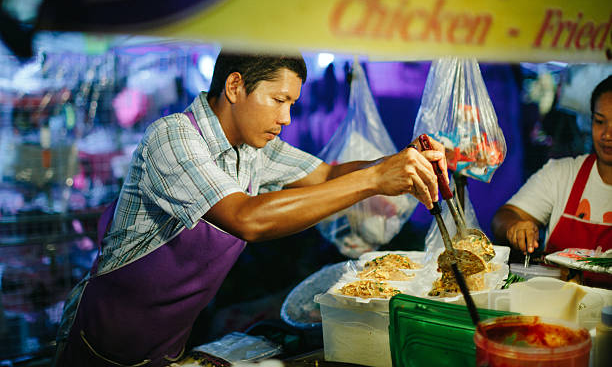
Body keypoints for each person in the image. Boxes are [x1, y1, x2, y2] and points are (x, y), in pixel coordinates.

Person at [54, 51, 448, 366]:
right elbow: (246, 218)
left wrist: (403, 161)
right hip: (101, 345)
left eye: (291, 104)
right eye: (279, 101)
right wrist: (375, 179)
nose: (286, 118)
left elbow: (326, 174)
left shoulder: (254, 150)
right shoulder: (171, 136)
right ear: (235, 85)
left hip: (167, 346)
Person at [492, 75, 612, 258]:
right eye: (599, 121)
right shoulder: (563, 174)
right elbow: (503, 217)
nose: (607, 135)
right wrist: (514, 227)